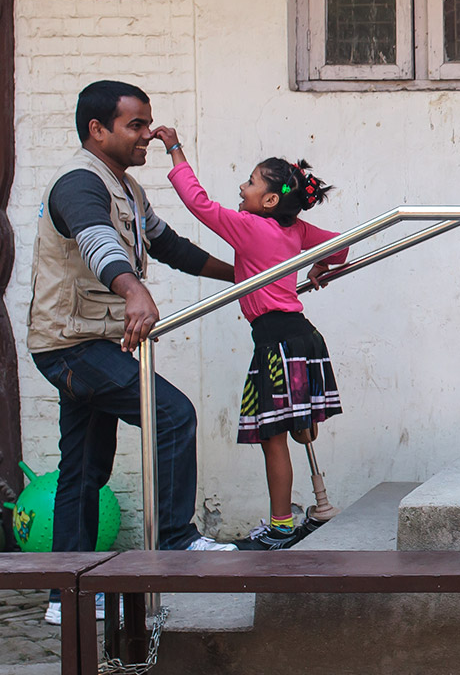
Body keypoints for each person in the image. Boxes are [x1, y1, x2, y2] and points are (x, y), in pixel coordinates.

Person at [28, 81, 238, 625]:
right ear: (98, 130)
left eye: (149, 123)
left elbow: (170, 247)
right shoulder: (79, 184)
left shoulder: (126, 189)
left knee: (82, 469)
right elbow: (97, 241)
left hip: (91, 341)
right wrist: (132, 289)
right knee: (172, 414)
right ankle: (175, 542)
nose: (148, 134)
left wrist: (244, 274)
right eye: (136, 126)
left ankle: (65, 597)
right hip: (73, 345)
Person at [155, 127, 348, 551]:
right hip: (301, 339)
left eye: (250, 182)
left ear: (270, 200)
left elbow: (197, 203)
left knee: (270, 437)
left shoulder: (248, 227)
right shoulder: (294, 230)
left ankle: (282, 527)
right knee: (292, 431)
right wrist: (322, 268)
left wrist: (174, 148)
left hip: (276, 342)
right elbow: (339, 246)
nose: (242, 188)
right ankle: (300, 503)